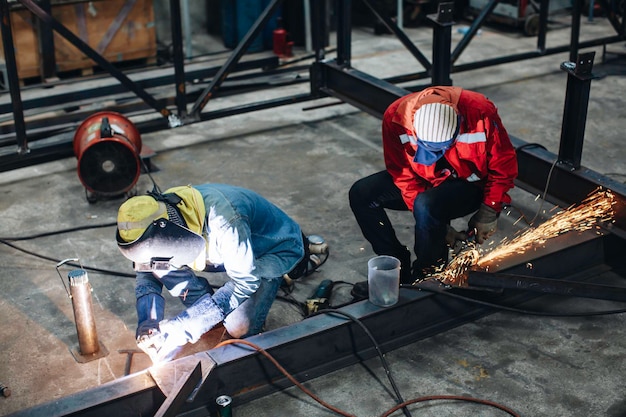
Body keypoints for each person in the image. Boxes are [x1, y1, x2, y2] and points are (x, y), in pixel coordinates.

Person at [116, 183, 322, 362]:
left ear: (168, 230)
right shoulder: (158, 211)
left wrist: (184, 327)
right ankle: (207, 307)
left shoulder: (225, 222)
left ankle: (295, 261)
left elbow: (244, 283)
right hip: (228, 249)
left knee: (238, 327)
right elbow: (147, 270)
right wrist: (148, 322)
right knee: (163, 268)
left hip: (272, 250)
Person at [349, 86, 518, 297]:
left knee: (426, 205)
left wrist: (489, 210)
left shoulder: (479, 110)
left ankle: (428, 276)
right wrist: (434, 224)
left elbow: (503, 164)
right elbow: (403, 176)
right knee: (362, 194)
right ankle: (396, 270)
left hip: (467, 185)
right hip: (424, 181)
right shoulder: (396, 117)